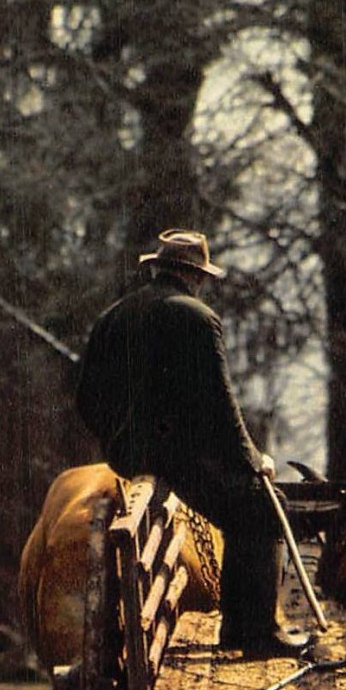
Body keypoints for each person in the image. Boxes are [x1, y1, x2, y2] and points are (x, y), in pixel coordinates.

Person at [75, 229, 307, 656]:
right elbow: (222, 405)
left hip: (128, 455)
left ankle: (246, 629)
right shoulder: (197, 317)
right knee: (262, 506)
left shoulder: (114, 315)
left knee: (247, 504)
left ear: (159, 268)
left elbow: (85, 395)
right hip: (179, 457)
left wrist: (119, 440)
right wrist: (254, 461)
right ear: (196, 276)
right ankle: (253, 633)